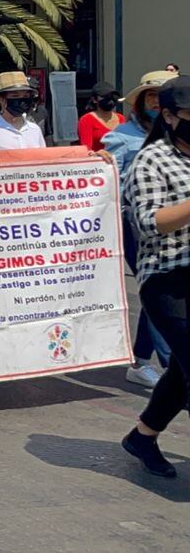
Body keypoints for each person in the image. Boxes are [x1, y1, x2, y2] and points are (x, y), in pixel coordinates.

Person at [120, 76, 190, 478]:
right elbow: (147, 223)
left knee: (182, 369)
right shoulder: (152, 159)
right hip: (168, 279)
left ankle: (143, 436)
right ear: (168, 115)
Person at [108, 71, 176, 388]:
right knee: (159, 287)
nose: (156, 102)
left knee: (160, 291)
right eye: (151, 96)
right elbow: (106, 179)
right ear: (140, 102)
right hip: (137, 224)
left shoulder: (178, 135)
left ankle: (139, 359)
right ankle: (176, 367)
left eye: (162, 97)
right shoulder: (122, 137)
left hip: (176, 225)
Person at [78, 82, 124, 152]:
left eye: (112, 96)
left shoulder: (121, 118)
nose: (109, 100)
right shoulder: (87, 120)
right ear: (94, 99)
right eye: (105, 97)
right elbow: (87, 150)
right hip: (99, 161)